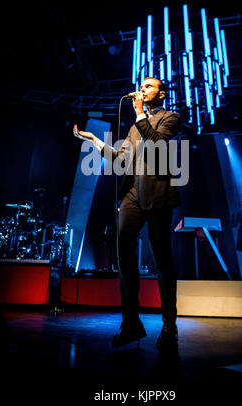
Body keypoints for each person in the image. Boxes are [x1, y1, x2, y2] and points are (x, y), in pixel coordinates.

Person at [73, 77, 181, 350]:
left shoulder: (172, 117)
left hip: (157, 193)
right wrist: (95, 141)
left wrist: (139, 113)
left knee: (162, 260)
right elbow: (120, 159)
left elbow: (157, 143)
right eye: (141, 86)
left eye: (148, 86)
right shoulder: (135, 125)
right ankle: (131, 323)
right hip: (131, 193)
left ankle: (169, 325)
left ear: (162, 94)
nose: (142, 89)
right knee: (125, 257)